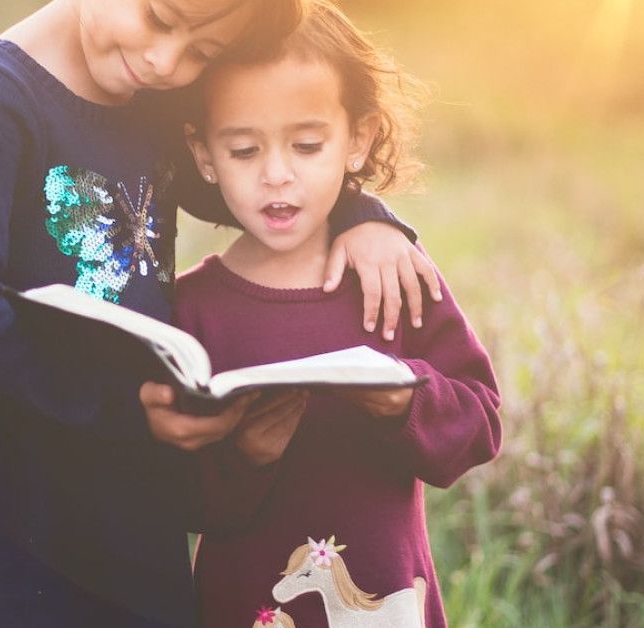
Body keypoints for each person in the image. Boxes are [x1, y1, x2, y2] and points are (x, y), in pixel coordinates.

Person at [0, 0, 443, 626]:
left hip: (129, 475)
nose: (167, 62)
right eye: (159, 19)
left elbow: (251, 189)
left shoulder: (150, 98)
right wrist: (125, 407)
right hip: (6, 485)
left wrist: (365, 217)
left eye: (202, 53)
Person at [174, 2, 503, 627]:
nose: (276, 175)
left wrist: (407, 400)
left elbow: (481, 423)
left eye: (306, 145)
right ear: (204, 153)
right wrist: (244, 456)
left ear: (358, 139)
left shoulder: (391, 276)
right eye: (243, 150)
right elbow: (174, 498)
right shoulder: (192, 310)